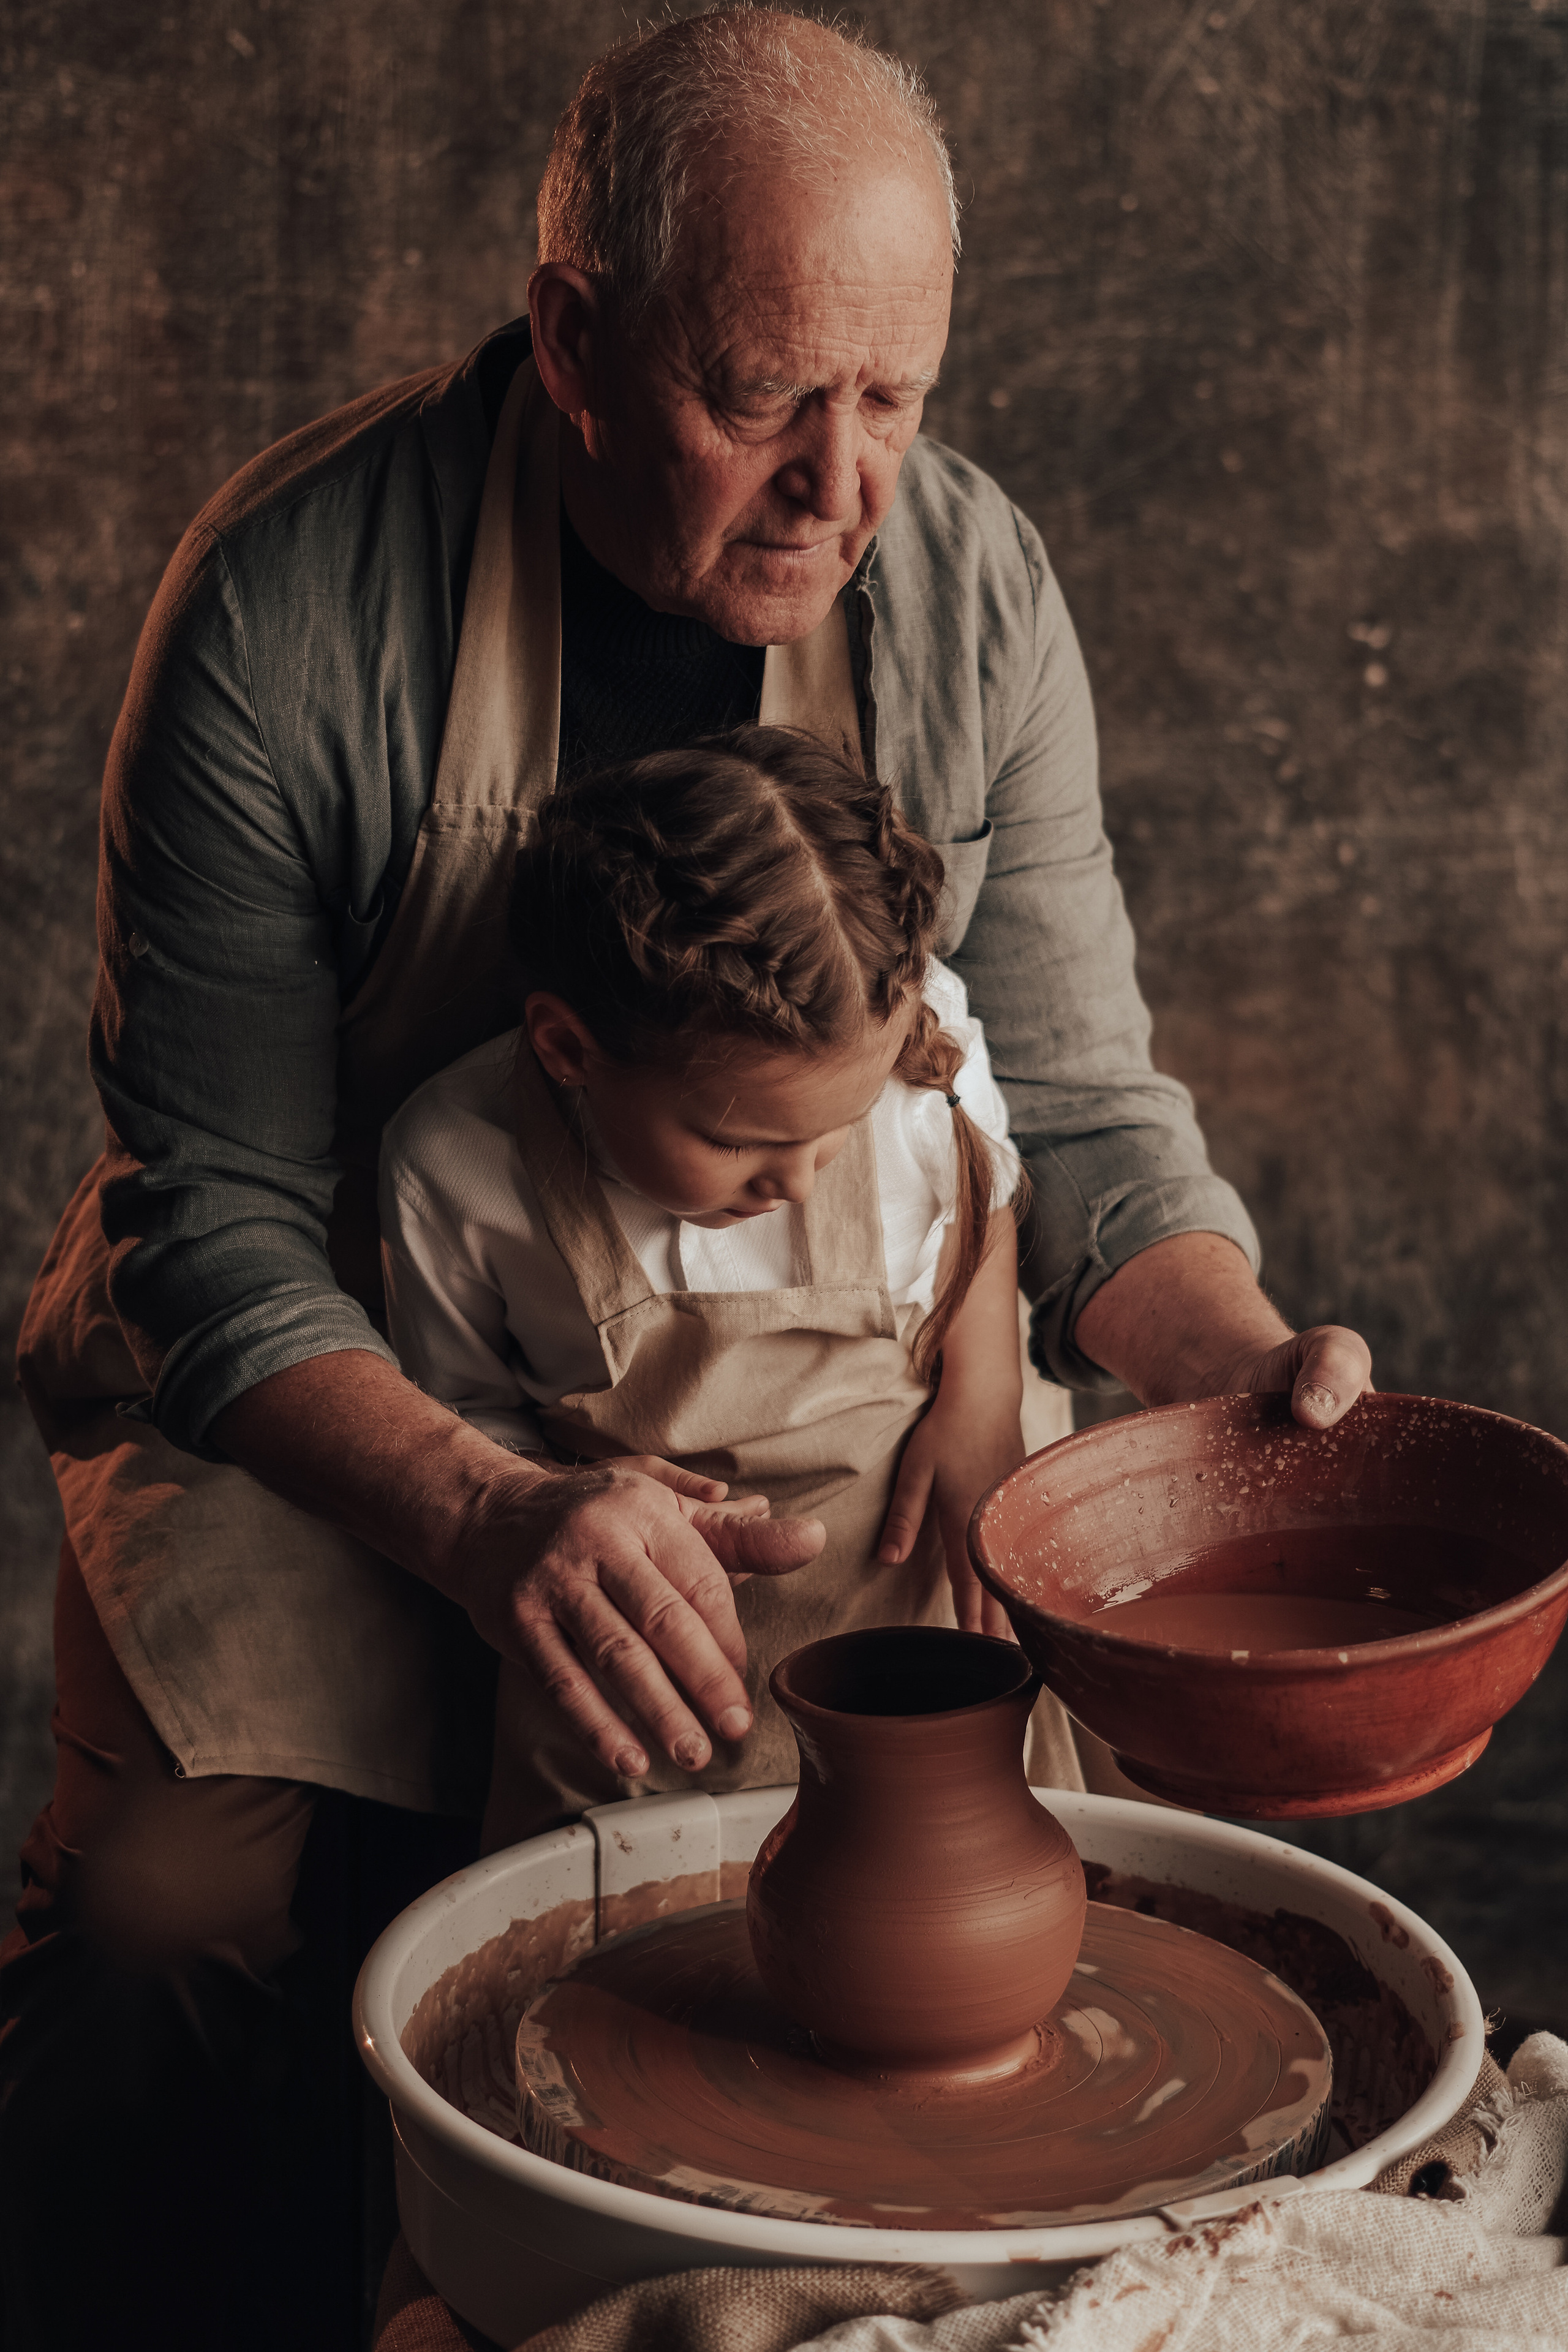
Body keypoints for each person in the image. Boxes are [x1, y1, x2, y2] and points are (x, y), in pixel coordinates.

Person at [2, 10, 1373, 2345]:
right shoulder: (291, 607)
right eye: (763, 398)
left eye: (897, 396)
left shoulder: (968, 589)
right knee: (166, 1927)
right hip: (349, 1385)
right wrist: (483, 1513)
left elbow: (1074, 1112)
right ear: (574, 342)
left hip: (833, 1403)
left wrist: (1235, 1368)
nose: (844, 485)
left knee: (1056, 1881)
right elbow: (209, 1218)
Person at [380, 726, 1028, 1839]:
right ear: (568, 1049)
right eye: (736, 1141)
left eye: (837, 1130)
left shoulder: (909, 1057)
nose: (798, 1181)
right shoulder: (456, 1166)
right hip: (637, 1664)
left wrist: (984, 1399)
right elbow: (461, 1425)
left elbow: (984, 1200)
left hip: (905, 1600)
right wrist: (548, 1496)